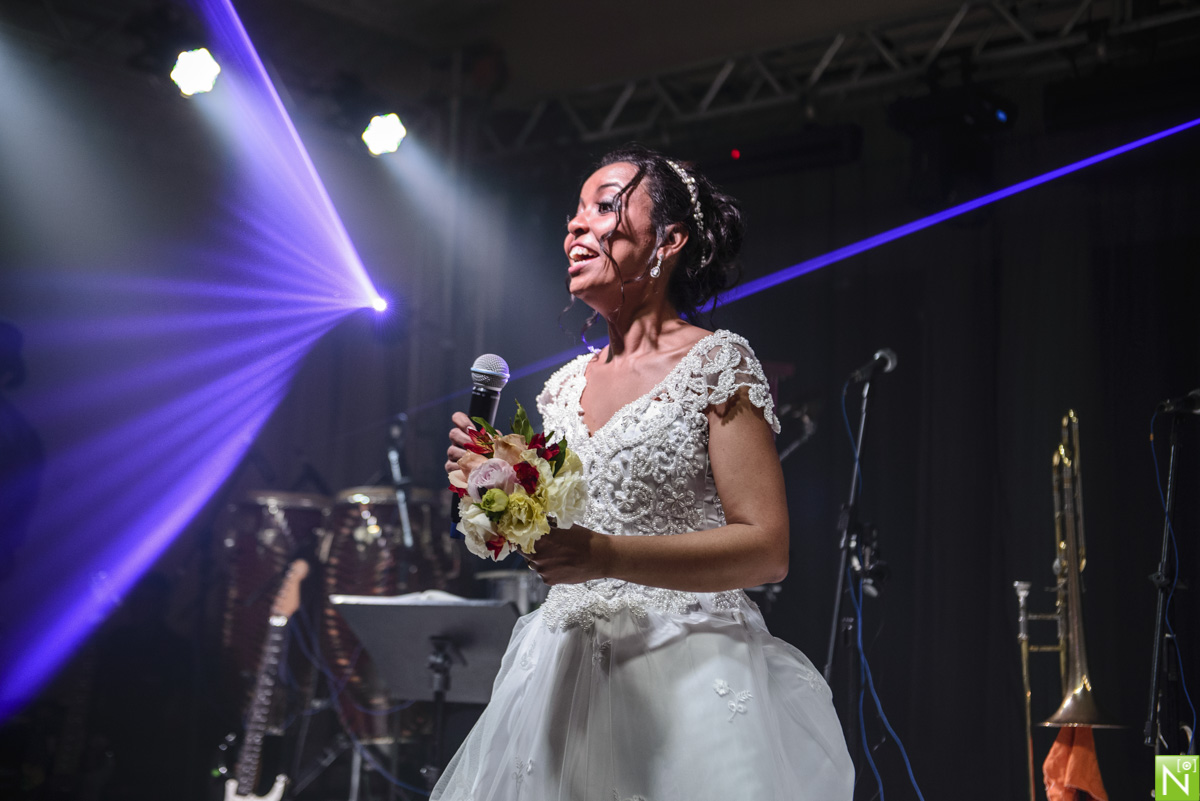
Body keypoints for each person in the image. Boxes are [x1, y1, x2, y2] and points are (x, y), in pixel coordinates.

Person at [438, 145, 853, 800]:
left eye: (602, 206)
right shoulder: (559, 389)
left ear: (670, 239)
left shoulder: (717, 363)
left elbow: (767, 549)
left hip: (685, 665)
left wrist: (604, 553)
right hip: (565, 672)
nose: (574, 227)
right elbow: (551, 549)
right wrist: (494, 495)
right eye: (573, 213)